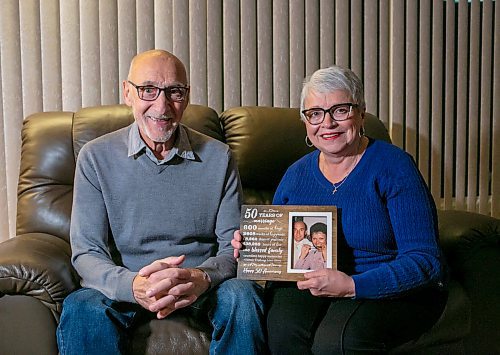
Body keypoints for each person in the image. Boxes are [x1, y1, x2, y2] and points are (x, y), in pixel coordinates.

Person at [56, 49, 266, 355]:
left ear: (187, 96)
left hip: (201, 286)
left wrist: (201, 277)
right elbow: (87, 252)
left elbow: (231, 249)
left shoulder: (219, 157)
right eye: (148, 90)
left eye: (174, 92)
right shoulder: (95, 157)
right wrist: (133, 286)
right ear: (127, 93)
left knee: (244, 297)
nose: (162, 105)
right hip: (127, 284)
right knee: (82, 307)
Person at [233, 65, 447, 354]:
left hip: (389, 286)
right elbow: (283, 255)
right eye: (315, 114)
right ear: (305, 122)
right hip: (315, 282)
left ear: (361, 113)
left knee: (336, 342)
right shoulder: (295, 175)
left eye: (340, 110)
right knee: (281, 330)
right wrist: (253, 245)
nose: (328, 123)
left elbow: (425, 260)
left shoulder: (394, 167)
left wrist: (351, 285)